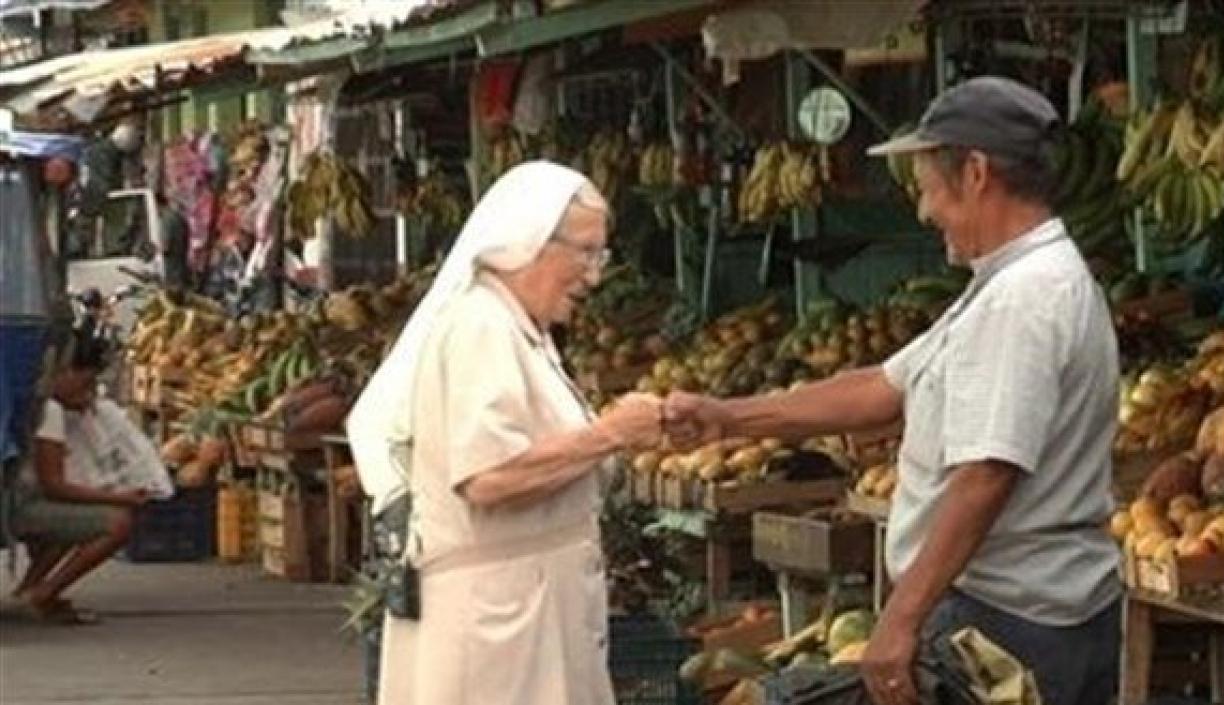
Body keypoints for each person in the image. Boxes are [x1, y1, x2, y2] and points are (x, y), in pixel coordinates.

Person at [664, 77, 1122, 705]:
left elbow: (987, 472)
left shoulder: (1024, 299)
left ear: (978, 172)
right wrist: (728, 417)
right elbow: (881, 387)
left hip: (1008, 625)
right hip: (1026, 613)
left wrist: (900, 620)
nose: (924, 209)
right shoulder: (1007, 285)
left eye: (931, 186)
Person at [347, 161, 662, 705]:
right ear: (531, 243)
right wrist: (610, 434)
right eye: (585, 253)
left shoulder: (519, 330)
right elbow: (488, 478)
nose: (594, 274)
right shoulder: (481, 328)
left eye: (600, 255)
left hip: (526, 609)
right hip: (500, 619)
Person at [10, 333, 147, 624]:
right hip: (17, 508)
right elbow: (55, 487)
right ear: (65, 372)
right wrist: (121, 498)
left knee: (75, 519)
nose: (88, 393)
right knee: (116, 523)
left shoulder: (31, 399)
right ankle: (41, 595)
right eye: (85, 383)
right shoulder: (49, 410)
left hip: (17, 499)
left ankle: (29, 589)